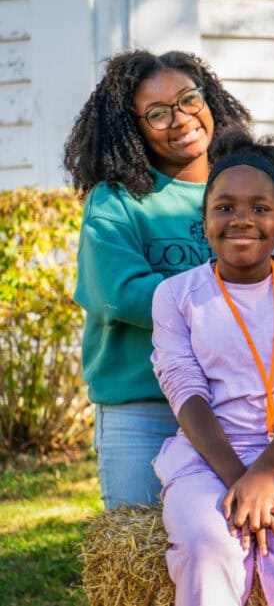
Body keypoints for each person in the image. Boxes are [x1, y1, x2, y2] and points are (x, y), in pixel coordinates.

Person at [151, 130, 274, 605]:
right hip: (205, 456)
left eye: (260, 208)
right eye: (225, 207)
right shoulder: (175, 296)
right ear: (204, 220)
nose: (243, 220)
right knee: (207, 543)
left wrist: (267, 473)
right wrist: (242, 479)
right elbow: (186, 391)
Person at [63, 50, 251, 509]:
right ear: (134, 128)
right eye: (157, 113)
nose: (180, 118)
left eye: (189, 99)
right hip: (144, 409)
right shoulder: (117, 200)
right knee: (143, 556)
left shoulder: (245, 187)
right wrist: (233, 301)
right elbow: (121, 294)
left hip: (236, 404)